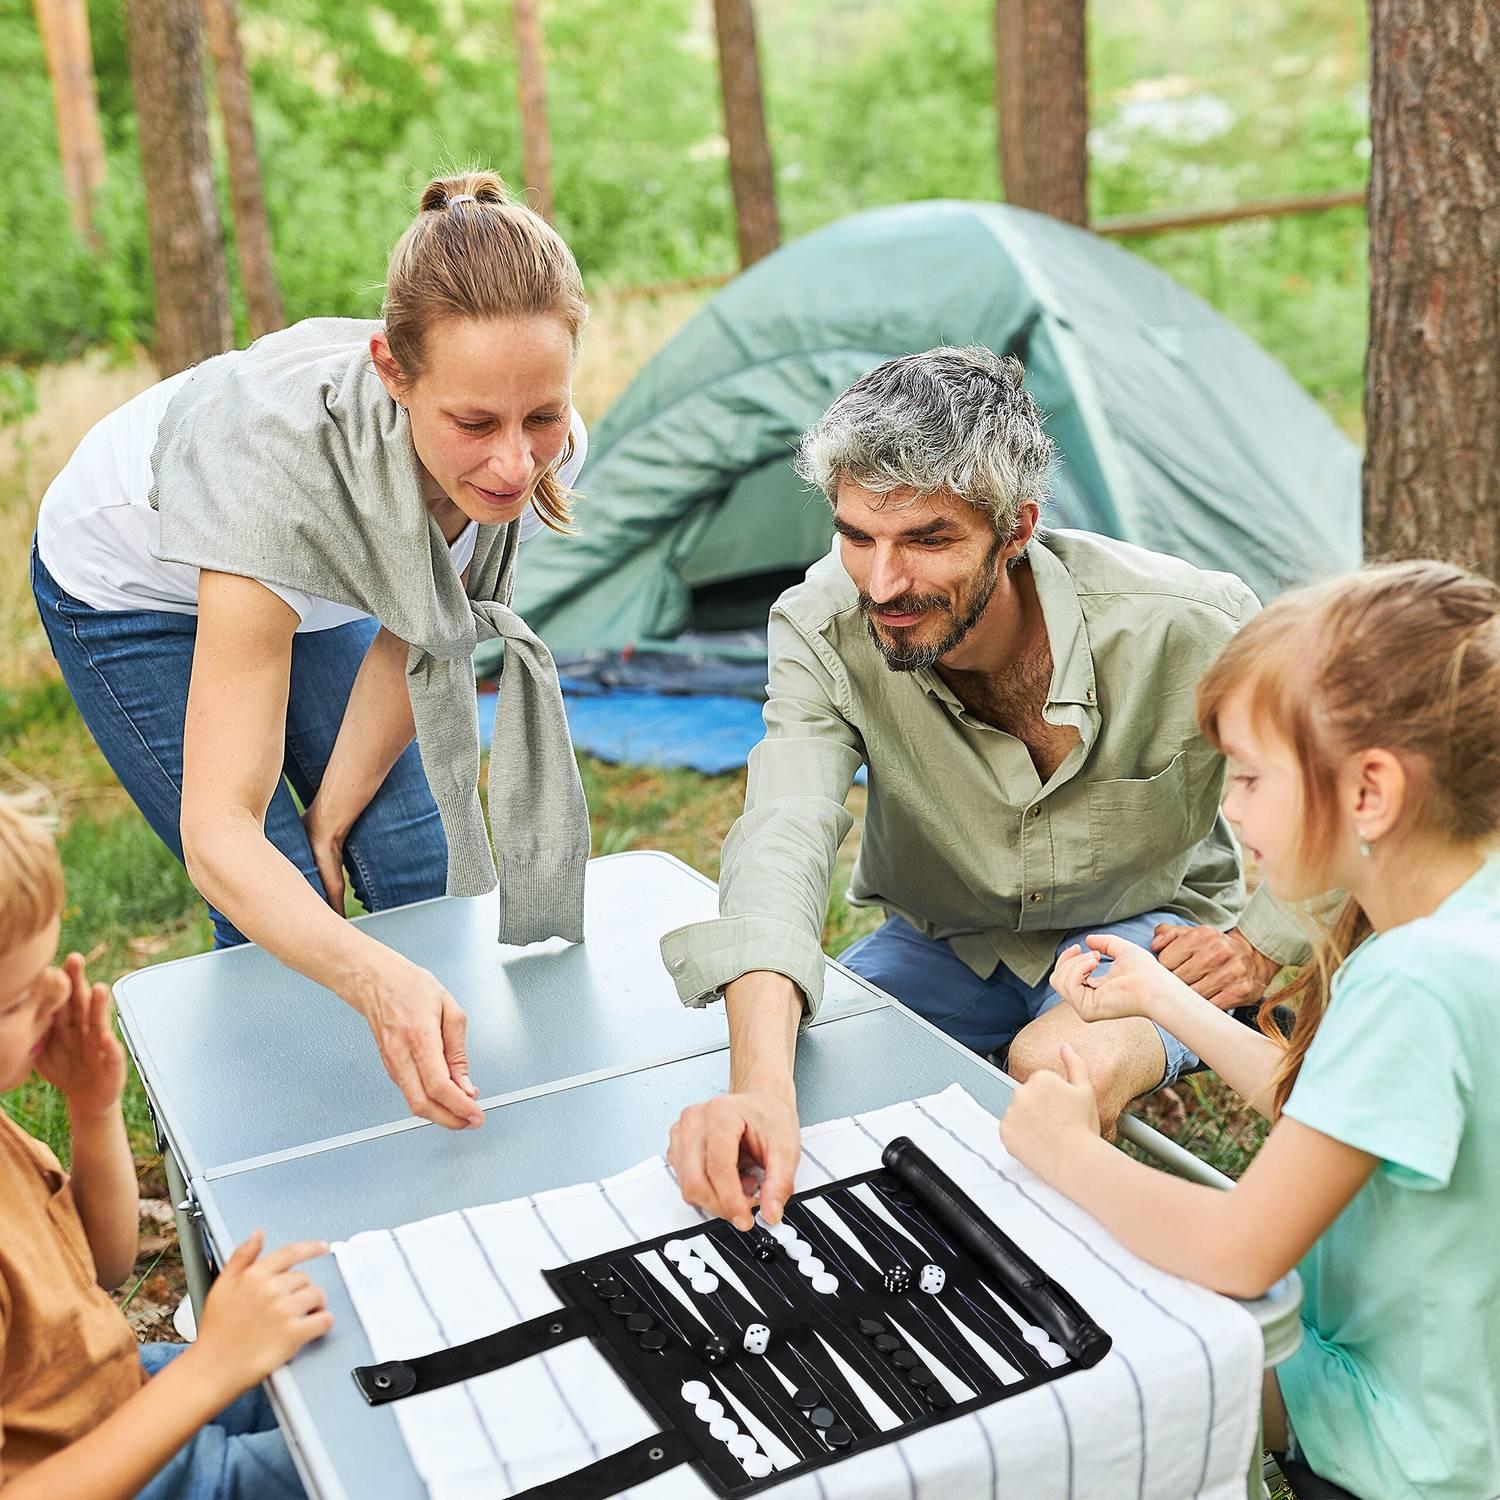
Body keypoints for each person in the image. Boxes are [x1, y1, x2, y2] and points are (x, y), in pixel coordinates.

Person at [662, 346, 1309, 1229]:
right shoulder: (818, 628)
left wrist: (1265, 942)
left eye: (928, 540)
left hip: (1146, 932)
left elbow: (1350, 776)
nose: (884, 583)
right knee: (794, 1077)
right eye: (858, 536)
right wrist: (761, 1088)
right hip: (945, 942)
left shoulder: (1191, 624)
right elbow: (783, 834)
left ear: (1016, 530)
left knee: (1050, 1071)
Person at [32, 170, 591, 1132]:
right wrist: (367, 974)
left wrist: (332, 816)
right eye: (474, 424)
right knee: (275, 897)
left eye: (538, 416)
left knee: (412, 855)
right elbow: (220, 835)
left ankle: (462, 1123)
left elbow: (412, 632)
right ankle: (290, 1148)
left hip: (318, 576)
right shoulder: (271, 482)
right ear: (392, 371)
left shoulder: (540, 453)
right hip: (135, 588)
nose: (514, 463)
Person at [1000, 561, 1500, 1500]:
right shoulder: (1467, 925)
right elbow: (1332, 1105)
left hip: (1403, 1440)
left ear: (1371, 793)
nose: (1230, 809)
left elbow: (1240, 1247)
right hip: (1467, 1400)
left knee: (1079, 1360)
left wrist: (1067, 1151)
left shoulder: (1413, 982)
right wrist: (1161, 995)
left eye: (1251, 776)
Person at [0, 797, 332, 1498]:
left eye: (47, 970)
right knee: (383, 1464)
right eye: (14, 1000)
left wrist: (91, 1112)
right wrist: (213, 1365)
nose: (57, 995)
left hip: (121, 1393)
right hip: (115, 1474)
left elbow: (104, 1265)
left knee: (356, 1364)